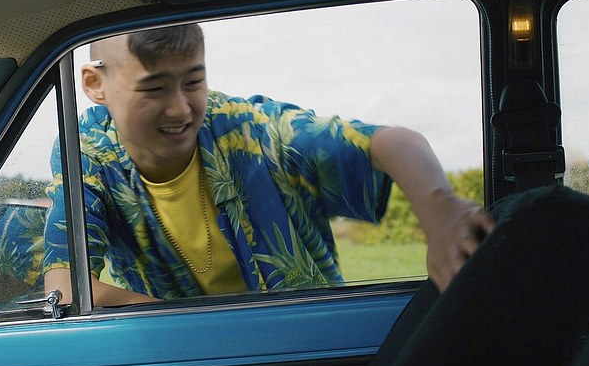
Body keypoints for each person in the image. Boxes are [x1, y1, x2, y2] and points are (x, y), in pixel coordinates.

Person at [42, 24, 495, 306]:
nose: (180, 108)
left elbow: (391, 141)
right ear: (95, 84)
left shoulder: (250, 129)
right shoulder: (87, 157)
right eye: (154, 88)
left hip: (306, 347)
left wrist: (440, 208)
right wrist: (175, 322)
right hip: (184, 364)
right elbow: (65, 286)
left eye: (194, 82)